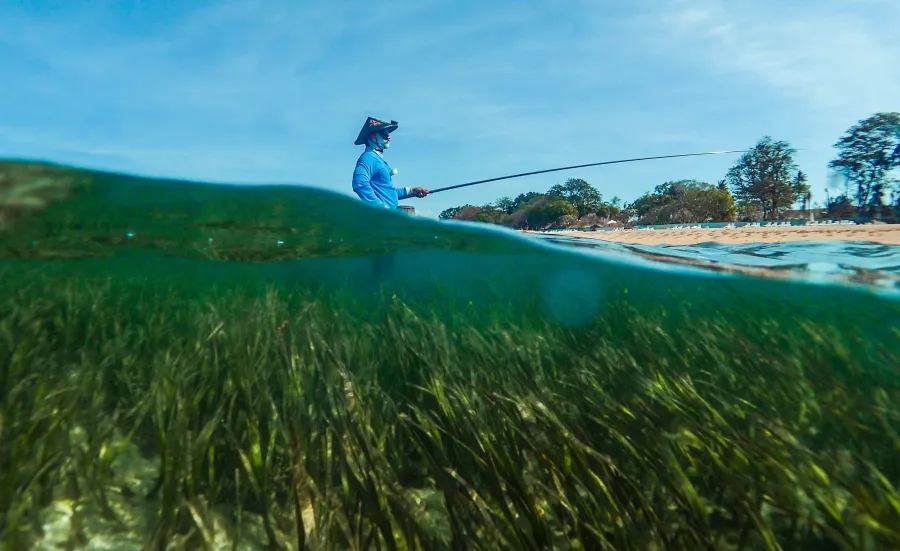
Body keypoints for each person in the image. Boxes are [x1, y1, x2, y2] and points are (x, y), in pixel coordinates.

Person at [351, 117, 429, 209]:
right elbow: (359, 184)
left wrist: (412, 191)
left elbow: (388, 192)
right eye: (384, 133)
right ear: (372, 136)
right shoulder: (368, 158)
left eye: (388, 133)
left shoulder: (378, 159)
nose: (389, 136)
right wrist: (380, 207)